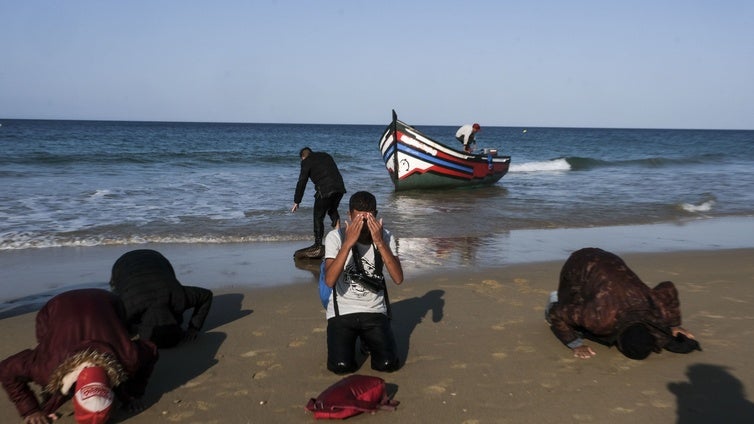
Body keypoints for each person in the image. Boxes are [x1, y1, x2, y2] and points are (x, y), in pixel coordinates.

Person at [0, 289, 158, 423]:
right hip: (56, 305)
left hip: (108, 300)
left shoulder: (129, 357)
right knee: (46, 346)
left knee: (121, 332)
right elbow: (5, 370)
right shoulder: (45, 367)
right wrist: (31, 410)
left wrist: (134, 393)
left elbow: (152, 350)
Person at [546, 248, 701, 360]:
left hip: (611, 261)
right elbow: (557, 314)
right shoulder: (600, 319)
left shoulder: (655, 309)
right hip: (579, 264)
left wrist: (674, 324)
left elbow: (668, 287)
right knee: (569, 311)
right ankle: (555, 298)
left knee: (592, 299)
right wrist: (575, 344)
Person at [323, 191, 403, 374]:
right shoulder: (335, 237)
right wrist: (348, 243)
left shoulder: (386, 236)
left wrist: (380, 242)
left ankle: (368, 341)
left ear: (376, 215)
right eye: (358, 219)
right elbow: (329, 280)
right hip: (342, 311)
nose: (364, 224)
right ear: (349, 215)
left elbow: (398, 278)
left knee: (387, 365)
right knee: (341, 367)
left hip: (374, 310)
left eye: (368, 219)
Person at [110, 249, 213, 349]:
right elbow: (109, 314)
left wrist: (194, 328)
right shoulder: (127, 306)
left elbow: (206, 295)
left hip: (157, 260)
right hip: (123, 264)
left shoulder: (179, 297)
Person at [292, 147, 347, 258]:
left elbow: (302, 181)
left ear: (303, 157)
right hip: (339, 188)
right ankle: (339, 240)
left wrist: (297, 201)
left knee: (318, 216)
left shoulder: (306, 161)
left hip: (325, 190)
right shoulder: (325, 155)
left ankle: (318, 245)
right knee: (332, 210)